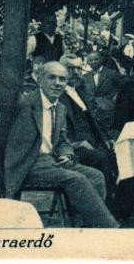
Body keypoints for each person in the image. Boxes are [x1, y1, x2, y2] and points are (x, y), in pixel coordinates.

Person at [4, 61, 119, 228]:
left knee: (97, 176)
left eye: (62, 79)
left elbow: (63, 140)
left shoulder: (60, 108)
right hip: (29, 163)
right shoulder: (24, 105)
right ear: (40, 79)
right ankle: (109, 227)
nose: (57, 83)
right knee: (77, 179)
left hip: (52, 160)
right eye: (52, 78)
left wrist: (66, 154)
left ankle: (89, 225)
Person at [58, 55, 117, 203]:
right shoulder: (57, 95)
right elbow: (56, 129)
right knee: (101, 158)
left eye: (79, 68)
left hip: (93, 140)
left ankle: (120, 202)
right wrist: (75, 144)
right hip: (73, 146)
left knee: (117, 152)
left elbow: (95, 120)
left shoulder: (81, 90)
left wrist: (106, 139)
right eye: (70, 68)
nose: (76, 72)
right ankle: (105, 206)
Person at [81, 50, 126, 138]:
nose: (93, 62)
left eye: (96, 59)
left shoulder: (112, 73)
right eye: (91, 60)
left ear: (101, 59)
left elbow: (124, 87)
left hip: (110, 113)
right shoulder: (85, 77)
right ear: (87, 62)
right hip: (93, 115)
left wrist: (116, 98)